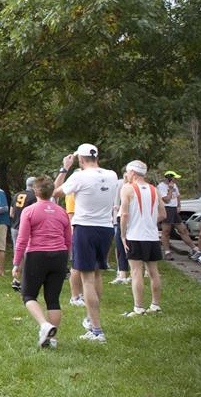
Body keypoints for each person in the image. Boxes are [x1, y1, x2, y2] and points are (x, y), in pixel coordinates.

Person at [53, 143, 118, 343]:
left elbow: (55, 192)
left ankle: (96, 330)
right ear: (97, 157)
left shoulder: (79, 176)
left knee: (87, 279)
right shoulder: (112, 175)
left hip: (85, 228)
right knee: (97, 275)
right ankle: (91, 319)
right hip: (106, 228)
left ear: (80, 159)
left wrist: (65, 168)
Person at [12, 175, 72, 348]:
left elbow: (22, 239)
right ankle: (52, 339)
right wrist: (66, 259)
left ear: (35, 191)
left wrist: (16, 263)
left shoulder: (29, 211)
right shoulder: (61, 211)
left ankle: (44, 325)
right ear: (52, 191)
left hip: (37, 255)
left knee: (28, 295)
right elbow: (68, 239)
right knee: (53, 299)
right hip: (59, 255)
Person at [119, 160, 167, 318]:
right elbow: (163, 214)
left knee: (136, 272)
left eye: (128, 172)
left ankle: (138, 308)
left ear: (132, 172)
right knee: (153, 271)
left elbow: (124, 214)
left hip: (135, 235)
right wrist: (150, 222)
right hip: (152, 236)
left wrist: (123, 234)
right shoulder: (154, 189)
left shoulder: (127, 188)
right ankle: (155, 305)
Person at [157, 171, 200, 260]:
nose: (176, 179)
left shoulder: (174, 185)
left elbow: (178, 196)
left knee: (183, 230)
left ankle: (195, 249)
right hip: (166, 209)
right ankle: (167, 252)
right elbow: (167, 200)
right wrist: (170, 189)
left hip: (174, 210)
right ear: (169, 178)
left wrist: (179, 206)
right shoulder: (161, 187)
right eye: (174, 177)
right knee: (166, 232)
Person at [10, 176, 37, 291]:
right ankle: (27, 280)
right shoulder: (34, 197)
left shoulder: (16, 195)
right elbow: (35, 214)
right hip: (26, 229)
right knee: (28, 254)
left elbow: (11, 213)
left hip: (15, 227)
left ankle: (16, 280)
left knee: (18, 253)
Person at [110, 169, 131, 285]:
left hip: (126, 218)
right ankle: (123, 273)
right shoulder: (123, 185)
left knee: (125, 246)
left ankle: (127, 274)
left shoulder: (129, 187)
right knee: (121, 246)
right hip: (121, 218)